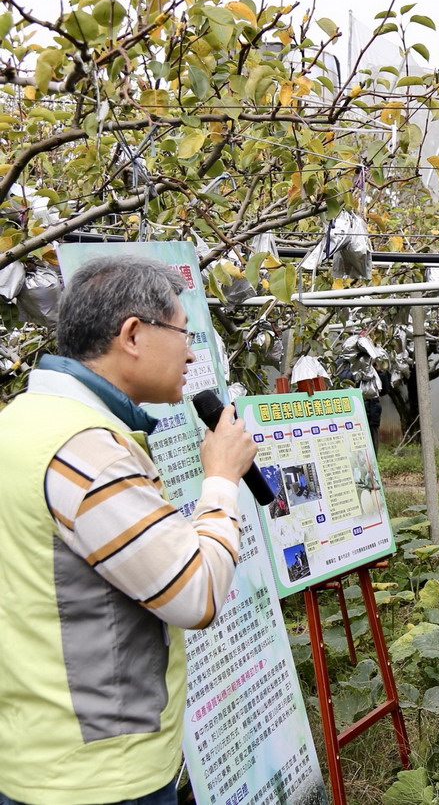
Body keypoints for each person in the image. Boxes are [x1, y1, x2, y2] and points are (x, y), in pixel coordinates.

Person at [0, 256, 258, 805]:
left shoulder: (21, 420)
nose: (191, 354)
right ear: (133, 335)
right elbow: (196, 594)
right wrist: (221, 481)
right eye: (183, 334)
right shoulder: (85, 449)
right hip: (100, 777)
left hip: (38, 747)